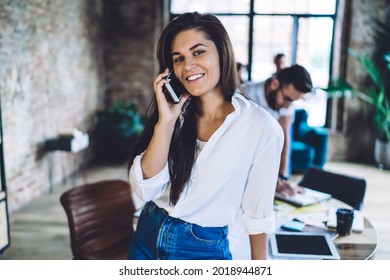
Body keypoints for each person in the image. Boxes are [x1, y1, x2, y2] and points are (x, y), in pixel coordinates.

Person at [127, 12, 283, 260]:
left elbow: (258, 214)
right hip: (148, 232)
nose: (188, 65)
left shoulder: (260, 126)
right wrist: (165, 123)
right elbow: (146, 190)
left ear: (222, 52)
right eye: (179, 59)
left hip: (201, 247)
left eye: (198, 52)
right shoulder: (175, 114)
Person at [242, 65, 313, 198]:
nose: (288, 105)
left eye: (293, 101)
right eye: (288, 99)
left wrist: (282, 178)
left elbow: (285, 140)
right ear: (275, 84)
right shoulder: (246, 94)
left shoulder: (286, 104)